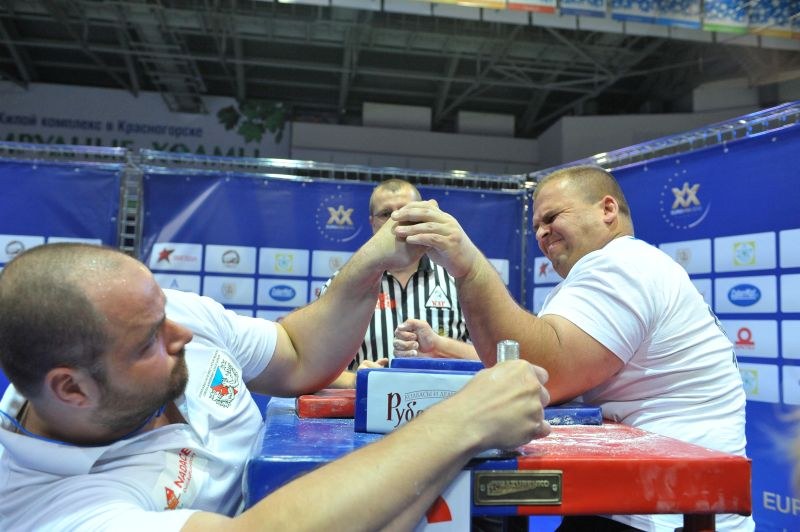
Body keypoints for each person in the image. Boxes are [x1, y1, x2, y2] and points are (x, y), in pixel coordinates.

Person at [0, 240, 551, 531]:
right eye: (148, 341)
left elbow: (295, 353)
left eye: (164, 310)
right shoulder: (51, 510)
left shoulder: (171, 323)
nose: (182, 334)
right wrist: (462, 421)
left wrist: (369, 265)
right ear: (72, 390)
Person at [391, 165, 754, 532]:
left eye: (551, 217)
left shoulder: (622, 265)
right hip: (651, 499)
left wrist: (468, 266)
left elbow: (548, 373)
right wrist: (442, 346)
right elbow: (525, 363)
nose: (541, 232)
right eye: (535, 226)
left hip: (662, 513)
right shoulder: (618, 269)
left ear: (607, 210)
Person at [322, 178, 477, 388]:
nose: (396, 223)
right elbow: (313, 368)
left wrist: (440, 347)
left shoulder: (458, 280)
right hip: (367, 413)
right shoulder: (341, 286)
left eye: (406, 212)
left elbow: (491, 360)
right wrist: (355, 380)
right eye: (386, 214)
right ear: (372, 222)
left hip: (447, 412)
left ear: (422, 217)